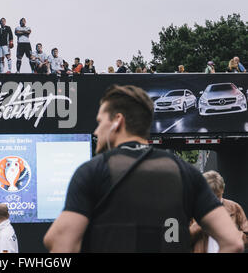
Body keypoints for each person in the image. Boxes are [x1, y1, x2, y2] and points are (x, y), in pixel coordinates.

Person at [43, 84, 244, 253]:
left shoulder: (93, 171)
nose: (96, 130)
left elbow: (61, 242)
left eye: (100, 121)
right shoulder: (186, 172)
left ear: (117, 121)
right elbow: (233, 241)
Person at [190, 171, 248, 253]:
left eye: (217, 196)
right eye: (209, 197)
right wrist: (198, 225)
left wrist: (231, 235)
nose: (213, 201)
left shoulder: (234, 207)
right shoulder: (191, 209)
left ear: (222, 190)